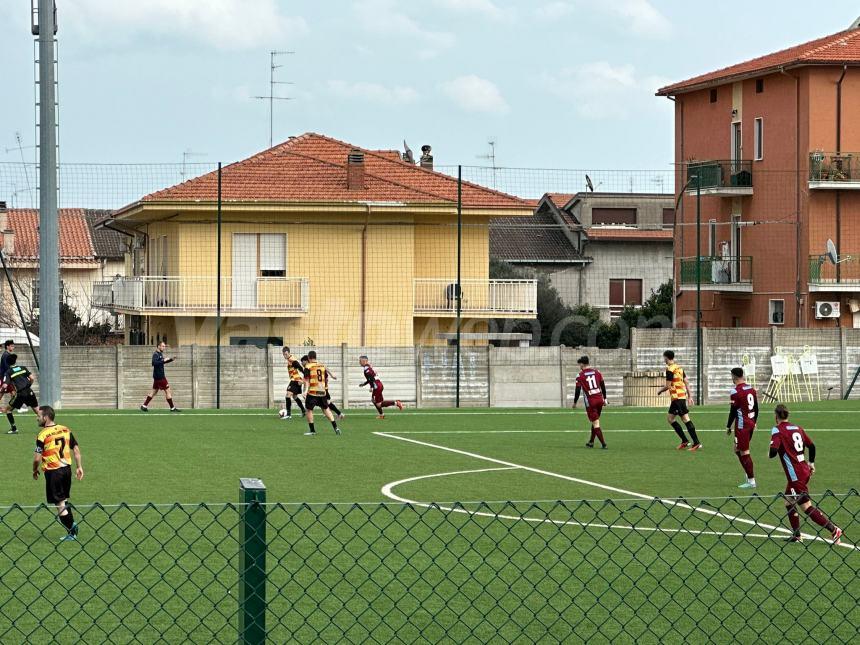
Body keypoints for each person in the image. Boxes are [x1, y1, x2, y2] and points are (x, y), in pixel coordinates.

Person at [769, 404, 841, 544]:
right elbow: (812, 446)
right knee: (789, 501)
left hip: (795, 475)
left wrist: (770, 451)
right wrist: (811, 463)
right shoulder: (797, 428)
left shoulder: (777, 430)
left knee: (806, 507)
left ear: (775, 417)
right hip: (803, 470)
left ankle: (833, 529)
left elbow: (773, 452)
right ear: (788, 415)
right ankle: (797, 535)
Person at [33, 405, 83, 542]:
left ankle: (72, 530)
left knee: (59, 503)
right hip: (67, 469)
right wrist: (79, 467)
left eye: (39, 416)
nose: (37, 418)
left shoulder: (42, 434)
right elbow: (76, 450)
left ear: (46, 417)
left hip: (53, 472)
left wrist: (34, 470)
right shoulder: (65, 429)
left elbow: (37, 458)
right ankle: (72, 528)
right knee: (63, 499)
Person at [656, 350, 701, 451]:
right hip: (680, 397)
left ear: (666, 358)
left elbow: (668, 386)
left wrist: (660, 391)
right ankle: (685, 441)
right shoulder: (679, 367)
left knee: (685, 419)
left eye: (664, 358)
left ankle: (696, 442)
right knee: (670, 419)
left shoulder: (670, 369)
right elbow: (687, 382)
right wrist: (689, 396)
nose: (664, 360)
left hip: (677, 398)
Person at [727, 367, 758, 488]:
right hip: (750, 422)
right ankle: (748, 472)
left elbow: (733, 411)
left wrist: (728, 426)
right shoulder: (751, 389)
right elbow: (756, 408)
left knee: (744, 451)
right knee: (737, 449)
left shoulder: (735, 391)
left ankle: (751, 481)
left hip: (742, 425)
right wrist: (754, 422)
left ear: (734, 376)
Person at [302, 351, 341, 436]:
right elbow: (326, 368)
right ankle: (336, 428)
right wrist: (332, 375)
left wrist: (305, 391)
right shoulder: (321, 365)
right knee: (326, 409)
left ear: (308, 358)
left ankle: (312, 431)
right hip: (322, 392)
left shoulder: (308, 366)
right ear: (315, 357)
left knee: (309, 410)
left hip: (312, 392)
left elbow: (307, 381)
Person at [572, 356, 607, 449]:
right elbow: (603, 385)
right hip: (599, 399)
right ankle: (591, 442)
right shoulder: (597, 372)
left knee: (595, 423)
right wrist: (605, 399)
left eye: (579, 364)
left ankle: (604, 444)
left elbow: (577, 390)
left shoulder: (580, 375)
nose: (579, 366)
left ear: (582, 364)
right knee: (595, 421)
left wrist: (575, 402)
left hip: (591, 401)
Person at [140, 341, 179, 412]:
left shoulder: (159, 354)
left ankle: (144, 406)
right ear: (158, 346)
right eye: (163, 346)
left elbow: (161, 362)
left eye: (164, 346)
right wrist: (164, 360)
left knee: (154, 391)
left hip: (157, 377)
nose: (164, 348)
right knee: (168, 391)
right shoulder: (156, 354)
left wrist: (170, 359)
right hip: (160, 377)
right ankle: (172, 408)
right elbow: (154, 363)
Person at [4, 354, 39, 434]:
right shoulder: (23, 368)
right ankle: (48, 425)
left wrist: (2, 388)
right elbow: (32, 378)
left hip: (20, 394)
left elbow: (5, 385)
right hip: (29, 391)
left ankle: (14, 428)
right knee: (37, 410)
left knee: (8, 410)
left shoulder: (8, 372)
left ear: (7, 363)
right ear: (15, 361)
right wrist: (29, 385)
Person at [281, 347, 306, 420]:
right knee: (294, 397)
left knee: (288, 395)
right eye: (283, 355)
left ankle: (288, 414)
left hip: (295, 380)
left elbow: (299, 367)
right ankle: (303, 410)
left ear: (289, 353)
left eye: (286, 354)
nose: (284, 356)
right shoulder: (289, 359)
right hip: (297, 380)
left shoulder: (292, 359)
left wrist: (305, 375)